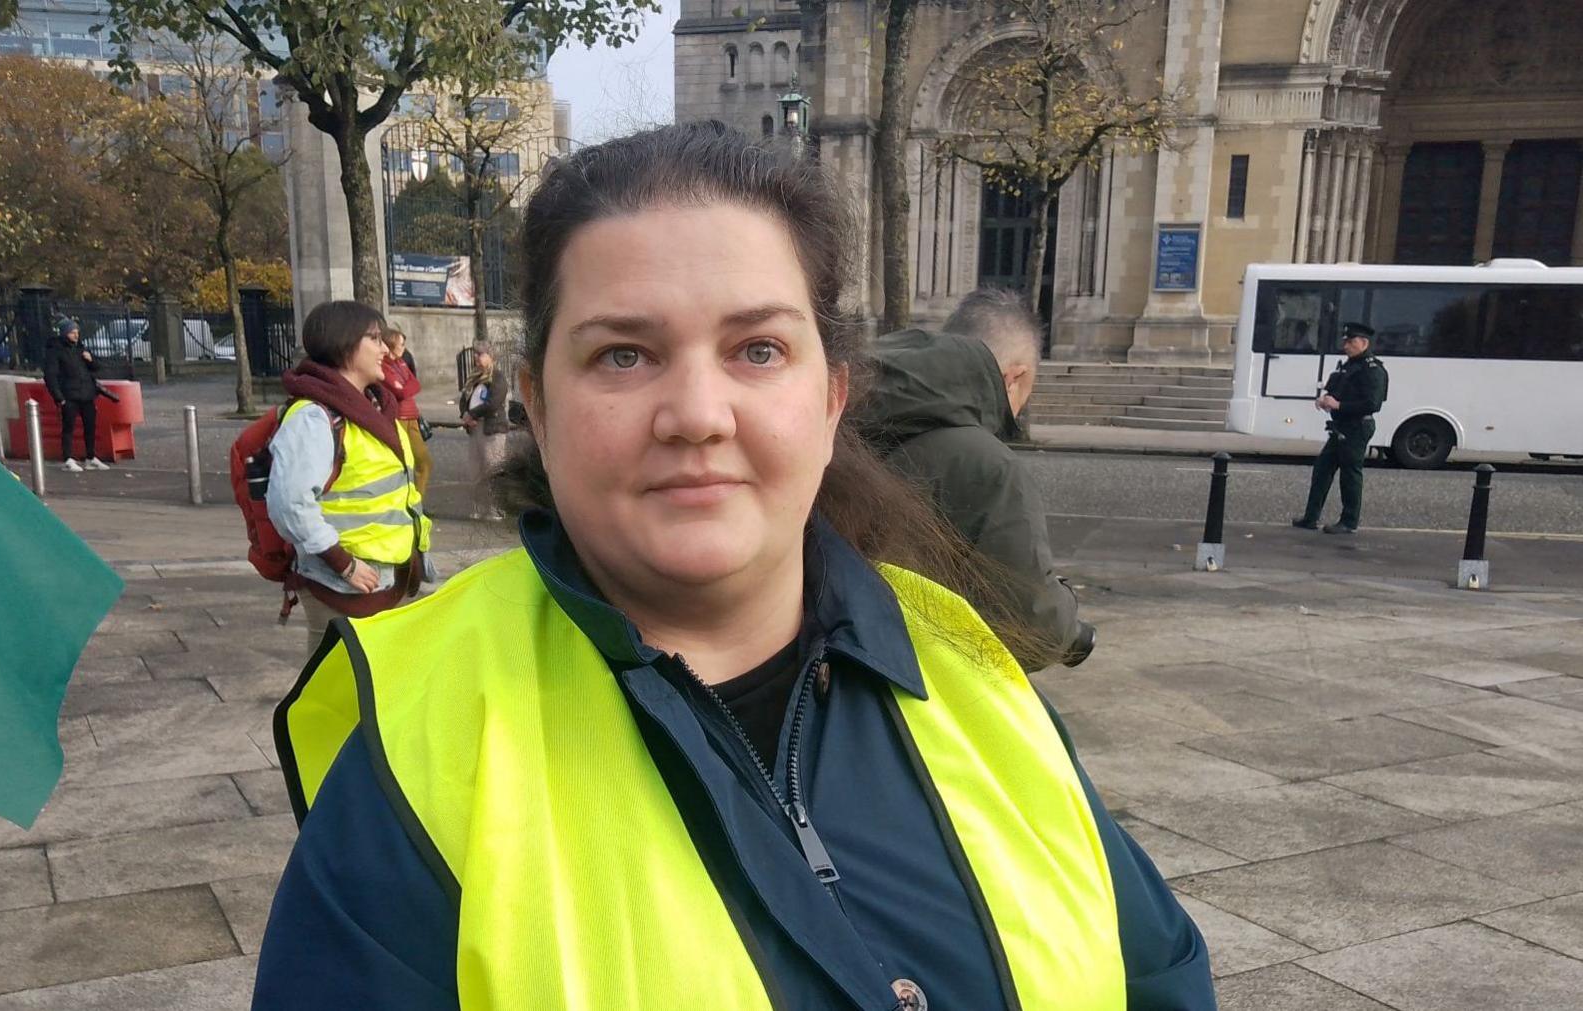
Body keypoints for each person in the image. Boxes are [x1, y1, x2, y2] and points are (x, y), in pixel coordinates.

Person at [253, 123, 1210, 1010]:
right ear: (538, 406)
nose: (698, 413)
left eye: (758, 349)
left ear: (833, 399)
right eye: (625, 356)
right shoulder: (416, 740)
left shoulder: (971, 667)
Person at [860, 286, 1095, 670]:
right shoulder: (987, 466)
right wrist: (1068, 614)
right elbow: (1034, 629)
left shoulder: (855, 409)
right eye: (1025, 396)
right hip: (923, 689)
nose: (1015, 416)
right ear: (1014, 378)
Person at [265, 301, 430, 650]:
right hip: (341, 588)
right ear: (345, 345)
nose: (385, 349)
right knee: (334, 696)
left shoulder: (377, 407)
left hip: (385, 581)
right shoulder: (313, 417)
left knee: (375, 693)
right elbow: (289, 504)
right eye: (375, 338)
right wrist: (344, 565)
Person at [1292, 321, 1389, 535]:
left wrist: (1340, 405)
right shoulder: (1348, 365)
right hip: (1340, 427)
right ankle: (1310, 517)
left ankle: (1349, 521)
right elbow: (1336, 388)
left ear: (1364, 343)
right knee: (1322, 470)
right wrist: (1325, 399)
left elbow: (1372, 404)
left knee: (1350, 474)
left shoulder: (1373, 369)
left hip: (1356, 427)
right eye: (1345, 341)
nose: (1346, 346)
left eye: (1351, 341)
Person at [43, 318, 110, 472]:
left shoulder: (81, 348)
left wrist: (91, 360)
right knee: (68, 427)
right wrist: (59, 397)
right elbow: (51, 375)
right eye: (72, 332)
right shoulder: (56, 351)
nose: (76, 335)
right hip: (69, 394)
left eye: (77, 332)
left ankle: (90, 457)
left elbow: (97, 368)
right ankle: (68, 458)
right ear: (65, 333)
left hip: (86, 393)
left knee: (90, 426)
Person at [379, 327, 433, 495]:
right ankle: (405, 498)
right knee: (403, 462)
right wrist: (407, 387)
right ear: (390, 345)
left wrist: (406, 387)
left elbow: (415, 384)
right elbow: (401, 391)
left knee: (424, 461)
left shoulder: (402, 362)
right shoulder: (384, 366)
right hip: (398, 417)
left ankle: (417, 500)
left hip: (412, 416)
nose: (404, 347)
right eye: (401, 344)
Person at [460, 341, 509, 521]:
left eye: (480, 354)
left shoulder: (497, 377)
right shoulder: (474, 378)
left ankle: (496, 508)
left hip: (492, 428)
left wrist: (471, 414)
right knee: (476, 470)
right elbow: (464, 398)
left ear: (491, 357)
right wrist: (465, 413)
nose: (476, 358)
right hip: (475, 429)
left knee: (493, 469)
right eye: (475, 354)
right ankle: (478, 506)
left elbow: (493, 403)